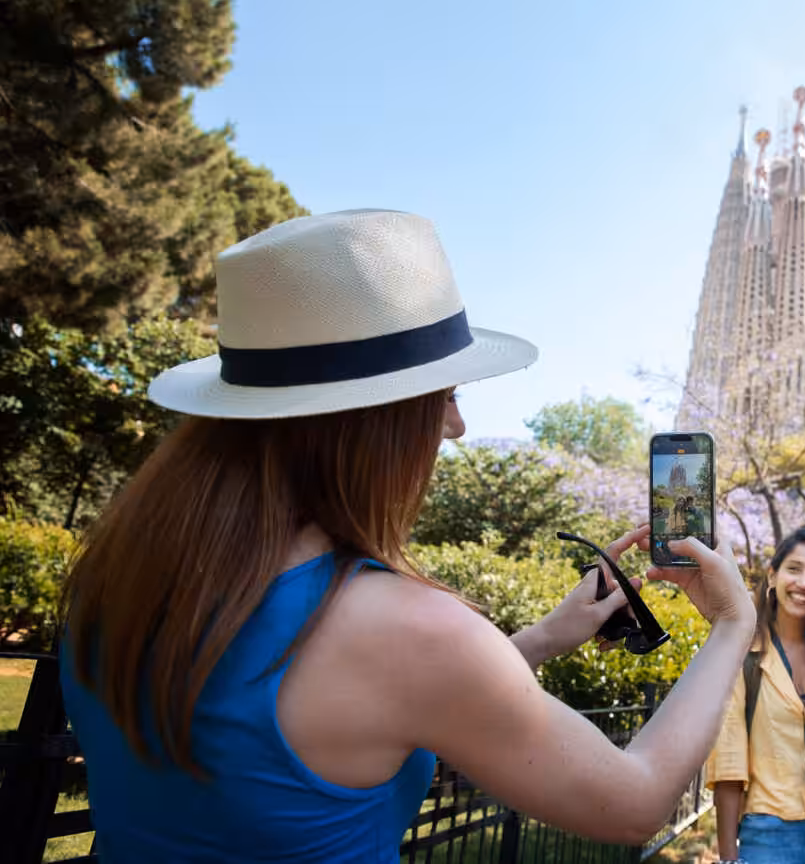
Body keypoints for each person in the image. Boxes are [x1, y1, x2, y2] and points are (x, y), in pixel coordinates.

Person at [57, 209, 756, 863]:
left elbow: (330, 712)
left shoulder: (115, 579)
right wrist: (731, 622)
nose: (455, 425)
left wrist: (539, 640)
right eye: (445, 395)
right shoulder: (408, 629)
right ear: (375, 421)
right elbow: (634, 802)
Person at [707, 529, 805, 864]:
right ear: (773, 576)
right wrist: (729, 859)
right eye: (794, 569)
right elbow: (729, 767)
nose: (804, 583)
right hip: (771, 839)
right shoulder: (743, 655)